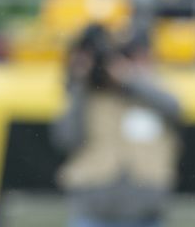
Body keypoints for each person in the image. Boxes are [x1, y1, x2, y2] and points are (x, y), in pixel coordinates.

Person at [53, 25, 183, 227]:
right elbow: (67, 139)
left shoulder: (150, 89)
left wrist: (128, 79)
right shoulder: (87, 96)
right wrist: (80, 84)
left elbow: (175, 109)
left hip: (146, 211)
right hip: (93, 209)